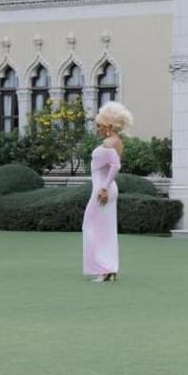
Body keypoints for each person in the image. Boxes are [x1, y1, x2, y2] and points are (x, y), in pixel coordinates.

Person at [83, 101, 133, 282]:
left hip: (102, 188)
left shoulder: (108, 142)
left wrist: (104, 188)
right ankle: (108, 268)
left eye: (99, 126)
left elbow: (115, 166)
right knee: (104, 229)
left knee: (92, 228)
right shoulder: (117, 142)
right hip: (107, 187)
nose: (96, 129)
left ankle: (105, 269)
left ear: (109, 127)